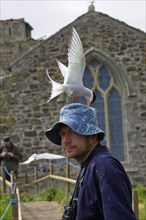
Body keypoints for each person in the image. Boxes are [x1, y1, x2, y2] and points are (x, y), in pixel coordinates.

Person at [45, 103, 137, 220]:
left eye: (73, 131)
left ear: (93, 136)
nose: (65, 141)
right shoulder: (89, 165)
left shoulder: (104, 166)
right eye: (62, 134)